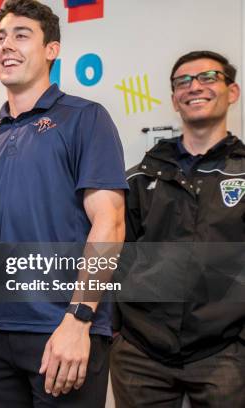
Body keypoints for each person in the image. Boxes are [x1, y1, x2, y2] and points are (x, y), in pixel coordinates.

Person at [0, 1, 127, 407]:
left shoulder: (85, 118)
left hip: (63, 330)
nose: (6, 46)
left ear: (51, 49)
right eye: (0, 37)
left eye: (21, 35)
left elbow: (110, 224)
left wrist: (80, 320)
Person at [111, 51, 245, 408]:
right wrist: (117, 332)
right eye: (182, 82)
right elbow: (116, 255)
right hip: (140, 355)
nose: (194, 87)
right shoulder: (142, 175)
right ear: (174, 99)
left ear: (232, 91)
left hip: (224, 355)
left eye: (207, 77)